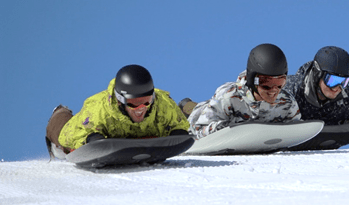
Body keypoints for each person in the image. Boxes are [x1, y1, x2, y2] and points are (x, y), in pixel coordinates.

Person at [46, 64, 190, 159]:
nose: (141, 109)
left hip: (134, 134)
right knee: (61, 132)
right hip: (82, 126)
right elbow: (68, 135)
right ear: (121, 100)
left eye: (146, 101)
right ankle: (59, 112)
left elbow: (181, 126)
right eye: (133, 104)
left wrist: (177, 135)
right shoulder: (98, 110)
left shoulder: (163, 104)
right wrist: (92, 139)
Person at [185, 43, 301, 139]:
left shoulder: (287, 102)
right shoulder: (228, 95)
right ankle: (185, 105)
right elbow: (198, 129)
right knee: (192, 110)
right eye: (265, 83)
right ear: (252, 79)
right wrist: (225, 129)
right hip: (199, 117)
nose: (273, 90)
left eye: (280, 83)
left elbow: (297, 131)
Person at [283, 46, 349, 125]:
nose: (337, 87)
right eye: (332, 80)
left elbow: (347, 125)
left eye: (344, 82)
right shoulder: (289, 90)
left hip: (326, 136)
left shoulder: (346, 98)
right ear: (317, 74)